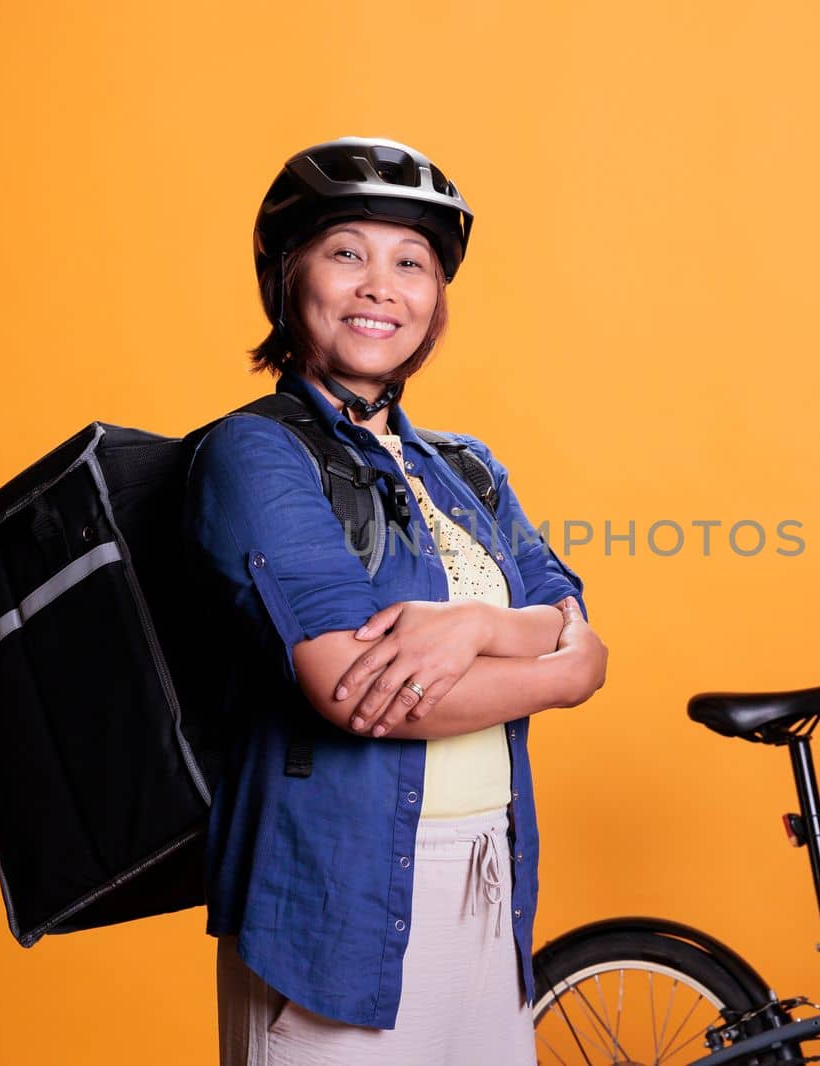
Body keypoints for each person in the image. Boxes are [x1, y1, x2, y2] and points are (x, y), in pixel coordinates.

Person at [182, 136, 608, 1065]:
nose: (382, 286)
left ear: (435, 301)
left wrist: (478, 628)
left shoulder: (466, 466)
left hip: (491, 892)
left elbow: (571, 615)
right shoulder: (254, 454)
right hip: (333, 902)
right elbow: (355, 696)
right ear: (288, 281)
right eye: (347, 252)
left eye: (410, 262)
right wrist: (561, 667)